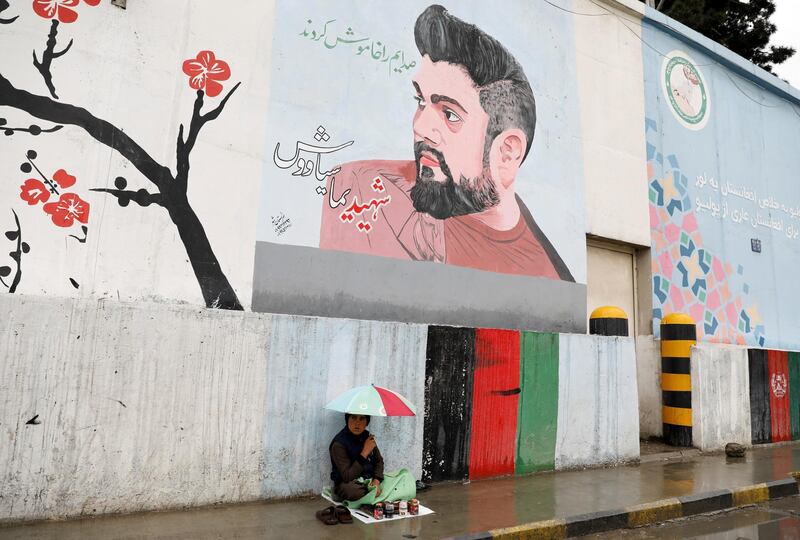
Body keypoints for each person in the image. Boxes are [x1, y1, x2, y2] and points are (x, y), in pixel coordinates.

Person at [320, 4, 573, 281]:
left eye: (450, 114)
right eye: (421, 101)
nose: (420, 127)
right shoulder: (360, 188)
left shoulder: (550, 274)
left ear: (506, 153)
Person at [329, 413, 384, 501]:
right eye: (353, 418)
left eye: (362, 419)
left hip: (370, 480)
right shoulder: (339, 444)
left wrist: (376, 481)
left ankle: (373, 494)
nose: (357, 423)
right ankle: (375, 495)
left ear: (367, 422)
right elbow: (347, 476)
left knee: (403, 477)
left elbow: (379, 461)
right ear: (347, 420)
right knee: (351, 491)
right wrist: (364, 452)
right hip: (350, 484)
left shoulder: (367, 437)